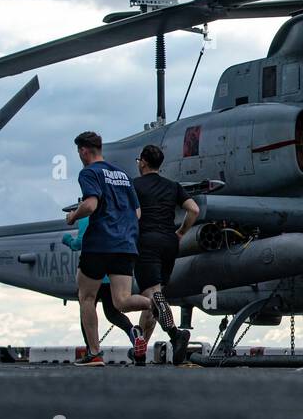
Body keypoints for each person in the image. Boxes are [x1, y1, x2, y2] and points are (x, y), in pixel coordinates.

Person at [65, 131, 154, 367]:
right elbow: (137, 213)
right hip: (125, 244)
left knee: (86, 296)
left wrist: (74, 215)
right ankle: (153, 303)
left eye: (79, 152)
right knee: (122, 301)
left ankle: (94, 353)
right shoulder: (123, 175)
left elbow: (91, 204)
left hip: (99, 244)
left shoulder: (89, 173)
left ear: (84, 151)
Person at [131, 144, 200, 364]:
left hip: (146, 241)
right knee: (156, 295)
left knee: (152, 295)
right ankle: (140, 351)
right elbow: (194, 209)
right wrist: (181, 232)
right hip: (170, 242)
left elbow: (131, 214)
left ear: (142, 161)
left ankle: (175, 334)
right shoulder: (173, 186)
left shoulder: (134, 186)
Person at [62, 215, 135, 351]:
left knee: (86, 310)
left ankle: (91, 349)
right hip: (109, 276)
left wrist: (67, 240)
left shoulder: (85, 219)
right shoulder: (112, 217)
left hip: (92, 275)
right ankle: (132, 331)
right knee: (113, 314)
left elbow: (80, 243)